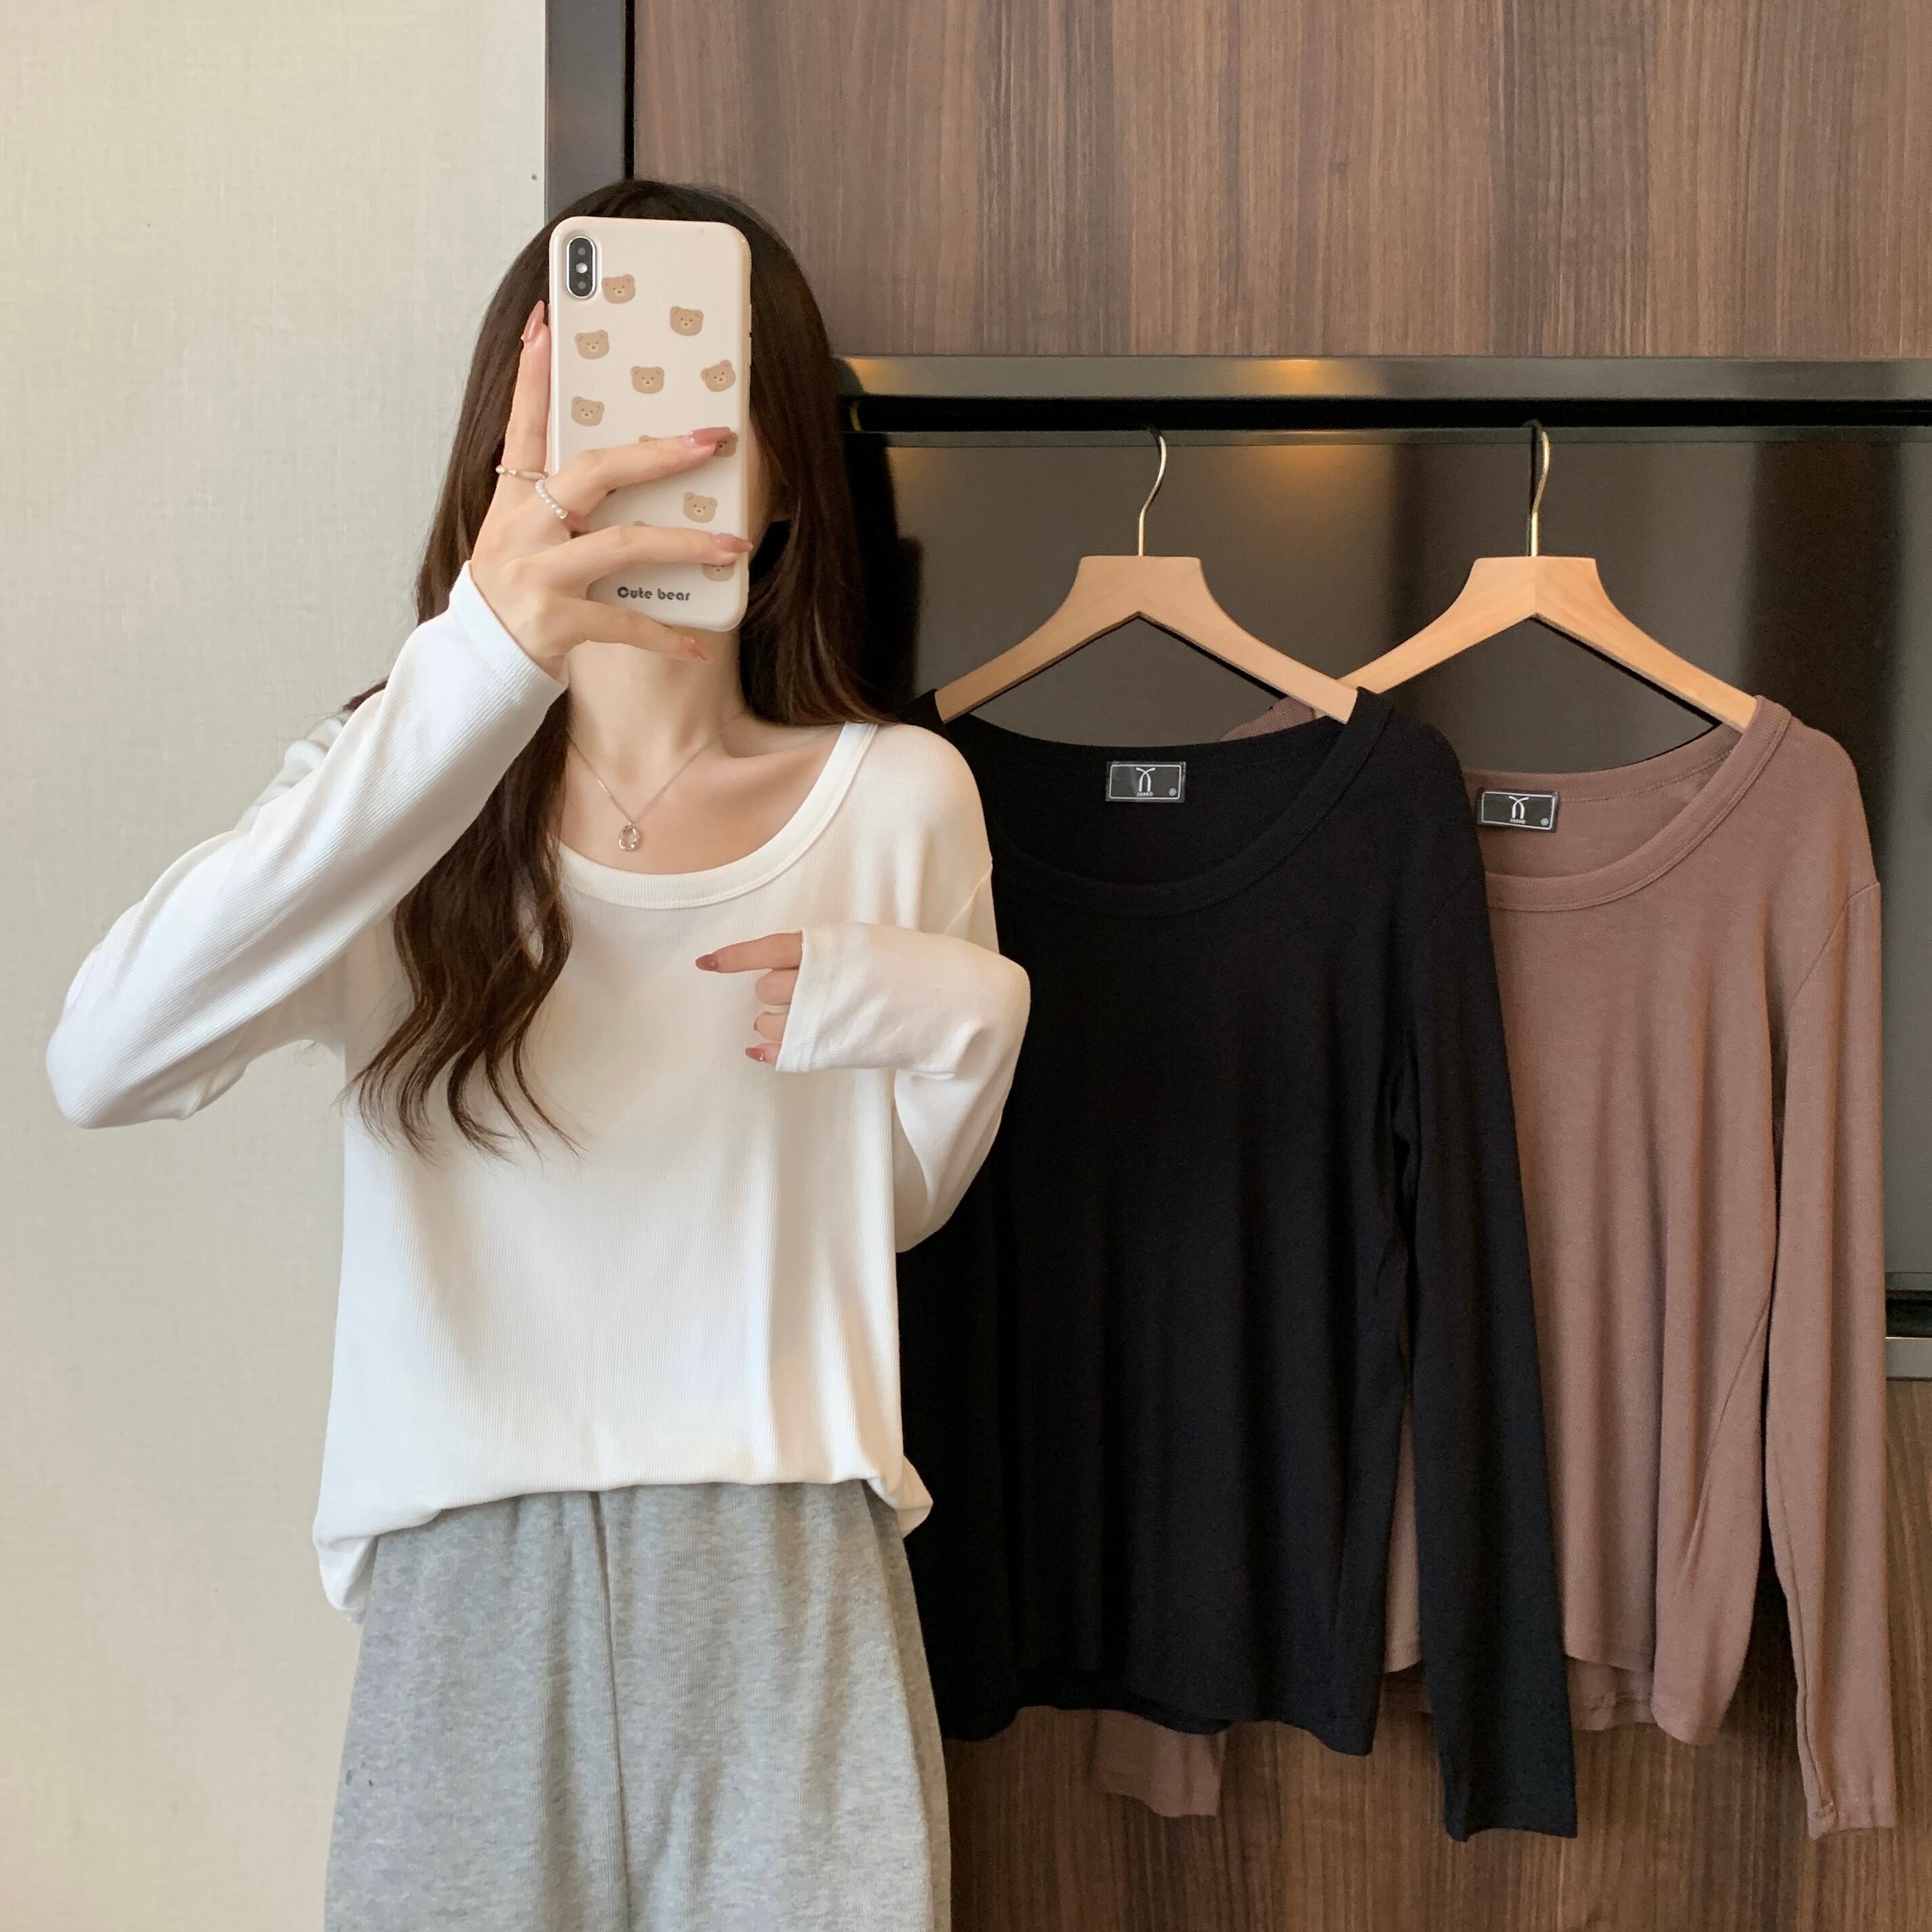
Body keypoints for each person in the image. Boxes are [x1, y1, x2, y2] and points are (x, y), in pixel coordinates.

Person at [45, 179, 1029, 1932]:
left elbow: (875, 1213)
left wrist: (969, 1021)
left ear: (782, 475)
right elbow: (105, 1057)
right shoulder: (392, 803)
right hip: (468, 1595)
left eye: (701, 405)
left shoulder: (899, 803)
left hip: (788, 1574)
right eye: (589, 413)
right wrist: (477, 667)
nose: (644, 459)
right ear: (503, 460)